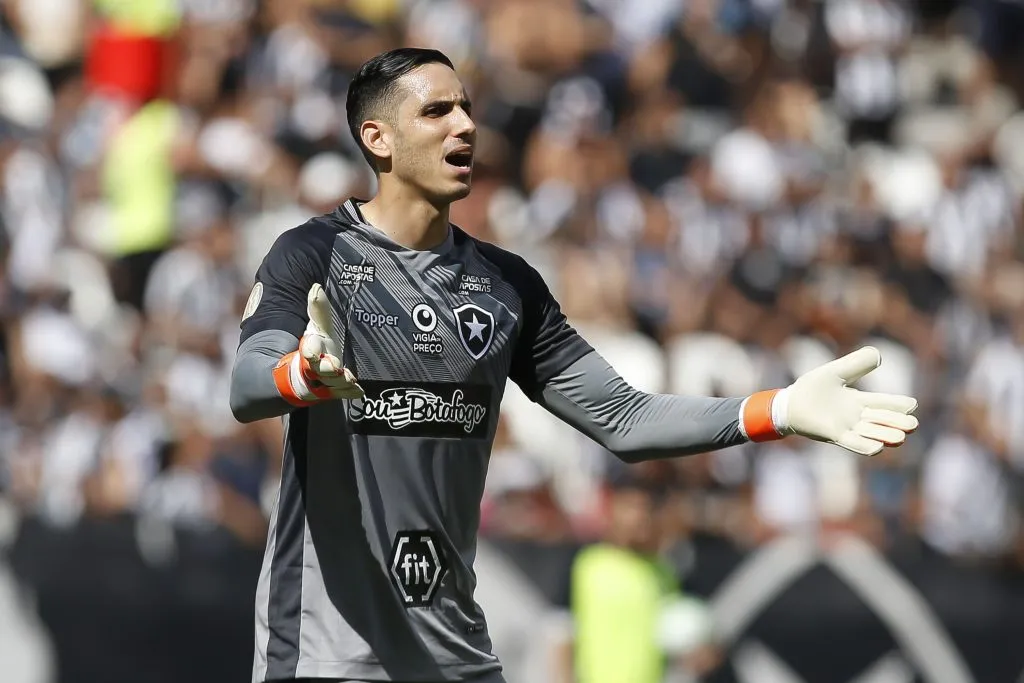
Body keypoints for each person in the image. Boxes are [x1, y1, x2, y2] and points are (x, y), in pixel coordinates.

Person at [229, 48, 919, 683]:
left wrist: (782, 410)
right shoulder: (313, 254)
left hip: (454, 656)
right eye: (437, 110)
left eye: (468, 106)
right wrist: (298, 375)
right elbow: (247, 381)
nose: (465, 124)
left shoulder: (506, 285)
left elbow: (625, 417)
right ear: (377, 138)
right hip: (329, 652)